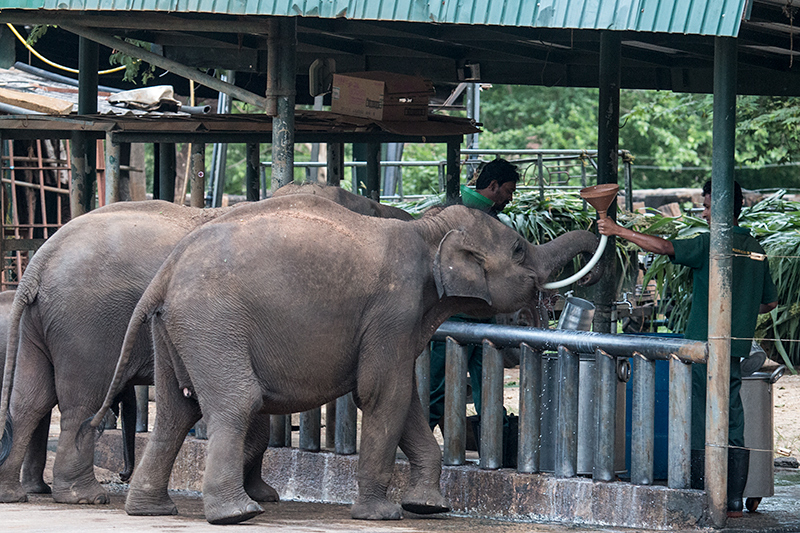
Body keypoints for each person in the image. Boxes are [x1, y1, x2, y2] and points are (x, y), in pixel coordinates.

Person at [597, 180, 778, 517]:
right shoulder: (756, 247)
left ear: (723, 209)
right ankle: (735, 499)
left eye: (708, 207)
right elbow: (769, 302)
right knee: (732, 416)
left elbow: (664, 247)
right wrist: (737, 308)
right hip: (736, 346)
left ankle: (702, 490)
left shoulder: (712, 244)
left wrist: (618, 229)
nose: (705, 212)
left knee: (699, 413)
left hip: (704, 345)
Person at [428, 158, 520, 465]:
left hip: (475, 315)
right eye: (508, 190)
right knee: (448, 390)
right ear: (493, 186)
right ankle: (421, 453)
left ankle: (492, 452)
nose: (510, 197)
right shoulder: (474, 217)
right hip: (454, 315)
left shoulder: (467, 210)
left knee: (478, 389)